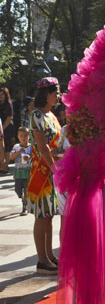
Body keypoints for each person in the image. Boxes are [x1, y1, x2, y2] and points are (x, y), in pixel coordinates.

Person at [27, 77, 61, 274]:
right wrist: (55, 168)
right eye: (55, 92)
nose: (58, 96)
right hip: (42, 171)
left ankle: (49, 255)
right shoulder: (36, 115)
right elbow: (42, 147)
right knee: (42, 215)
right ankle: (41, 259)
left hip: (52, 168)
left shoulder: (51, 115)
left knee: (49, 215)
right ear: (45, 94)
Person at [10, 127, 32, 215]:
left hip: (27, 172)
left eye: (25, 136)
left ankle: (25, 207)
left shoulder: (31, 146)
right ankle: (22, 197)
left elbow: (34, 156)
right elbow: (11, 157)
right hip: (18, 173)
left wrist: (29, 157)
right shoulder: (16, 146)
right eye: (21, 136)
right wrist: (19, 152)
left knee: (27, 190)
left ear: (29, 136)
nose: (23, 138)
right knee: (18, 190)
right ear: (18, 137)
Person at [0, 87, 14, 172]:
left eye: (2, 95)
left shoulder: (8, 104)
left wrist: (2, 128)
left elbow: (9, 117)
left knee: (7, 147)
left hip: (7, 127)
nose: (0, 96)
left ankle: (5, 166)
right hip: (1, 127)